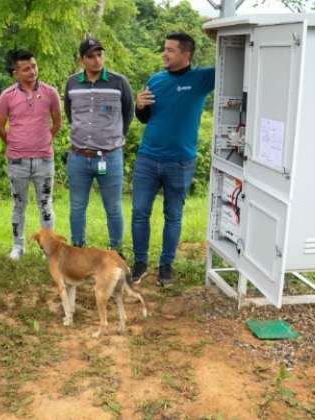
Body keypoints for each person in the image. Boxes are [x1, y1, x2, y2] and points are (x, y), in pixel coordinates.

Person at [131, 32, 215, 287]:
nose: (165, 54)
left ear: (186, 54)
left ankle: (166, 266)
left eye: (171, 50)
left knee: (173, 215)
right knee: (139, 212)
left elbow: (232, 61)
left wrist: (216, 34)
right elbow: (144, 118)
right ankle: (140, 263)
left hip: (180, 162)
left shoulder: (201, 79)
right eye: (164, 49)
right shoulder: (156, 80)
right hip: (148, 158)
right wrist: (139, 105)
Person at [64, 37, 133, 254]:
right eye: (91, 56)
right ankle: (78, 249)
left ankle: (116, 251)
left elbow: (128, 114)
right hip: (78, 157)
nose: (97, 60)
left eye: (99, 54)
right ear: (82, 59)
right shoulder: (72, 83)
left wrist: (111, 140)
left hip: (110, 157)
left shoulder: (119, 82)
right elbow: (69, 113)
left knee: (113, 208)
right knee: (77, 207)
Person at [0, 50, 62, 261]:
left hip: (44, 159)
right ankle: (18, 246)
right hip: (17, 161)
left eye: (34, 66)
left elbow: (57, 122)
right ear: (16, 72)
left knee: (45, 203)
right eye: (26, 68)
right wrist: (15, 143)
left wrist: (44, 141)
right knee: (18, 204)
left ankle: (49, 249)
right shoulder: (7, 96)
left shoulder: (51, 93)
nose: (32, 71)